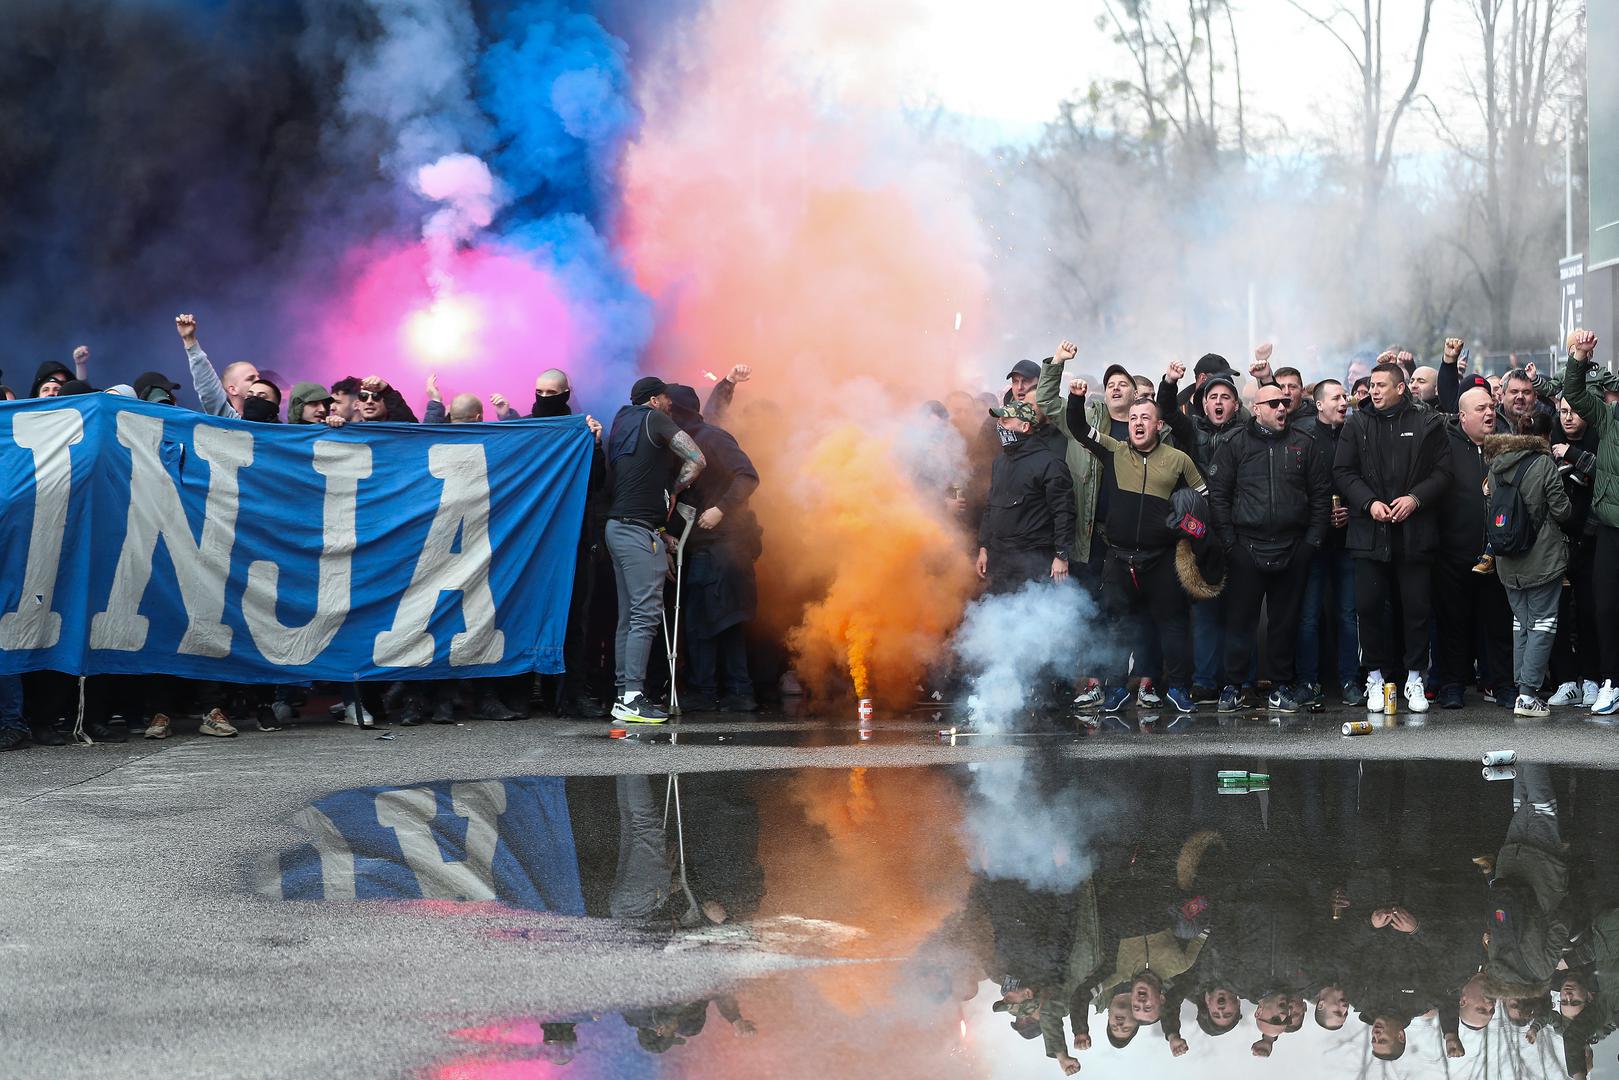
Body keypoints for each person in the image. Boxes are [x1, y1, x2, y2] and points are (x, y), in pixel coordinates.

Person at [1067, 379, 1206, 714]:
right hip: (1118, 558)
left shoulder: (1178, 460)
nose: (1138, 424)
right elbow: (1078, 428)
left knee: (1172, 626)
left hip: (1160, 560)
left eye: (1145, 418)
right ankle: (1115, 689)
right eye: (1133, 419)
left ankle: (1178, 689)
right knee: (1116, 625)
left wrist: (1187, 526)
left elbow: (1204, 504)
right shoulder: (1114, 451)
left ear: (1158, 425)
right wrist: (1076, 397)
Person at [1207, 379, 1331, 713]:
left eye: (1284, 402)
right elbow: (1218, 497)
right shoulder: (1234, 443)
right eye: (1272, 403)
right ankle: (1233, 687)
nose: (1281, 407)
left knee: (1285, 623)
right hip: (1246, 548)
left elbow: (1321, 497)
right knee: (1239, 622)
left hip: (1293, 548)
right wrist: (1231, 544)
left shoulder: (1305, 444)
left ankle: (1280, 686)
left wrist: (1310, 544)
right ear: (1257, 409)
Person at [1333, 362, 1451, 714]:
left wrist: (1416, 498)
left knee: (1416, 609)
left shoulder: (1427, 422)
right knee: (1368, 609)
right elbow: (1342, 471)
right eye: (1372, 385)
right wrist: (1368, 503)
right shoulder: (1357, 423)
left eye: (1382, 385)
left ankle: (1415, 679)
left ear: (1402, 388)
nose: (1375, 391)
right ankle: (1374, 678)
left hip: (1415, 534)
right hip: (1369, 533)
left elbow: (1444, 473)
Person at [604, 377, 706, 724]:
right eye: (667, 400)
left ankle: (623, 695)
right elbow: (697, 459)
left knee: (627, 616)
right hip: (637, 531)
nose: (670, 407)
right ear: (653, 400)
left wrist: (660, 527)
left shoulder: (620, 422)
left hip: (616, 527)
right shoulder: (655, 418)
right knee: (645, 614)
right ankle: (632, 698)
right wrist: (674, 490)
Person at [1037, 342, 1132, 710]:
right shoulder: (1085, 419)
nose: (1115, 388)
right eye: (1110, 383)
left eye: (1123, 383)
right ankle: (1092, 682)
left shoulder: (1146, 424)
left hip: (1128, 538)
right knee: (1090, 610)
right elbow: (1046, 403)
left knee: (1122, 612)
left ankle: (1119, 683)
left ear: (1135, 393)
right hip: (1090, 535)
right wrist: (1057, 363)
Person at [667, 384, 763, 713]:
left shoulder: (712, 438)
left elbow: (747, 475)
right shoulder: (687, 437)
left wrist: (720, 508)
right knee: (725, 620)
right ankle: (739, 691)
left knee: (703, 620)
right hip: (714, 544)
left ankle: (707, 691)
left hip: (721, 544)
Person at [1481, 415, 1571, 718]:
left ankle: (1522, 689)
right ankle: (1528, 694)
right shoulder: (1544, 464)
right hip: (1542, 558)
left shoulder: (1496, 466)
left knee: (1521, 624)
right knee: (1543, 625)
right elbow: (1562, 510)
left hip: (1508, 561)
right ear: (1543, 436)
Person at [1431, 385, 1513, 709]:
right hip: (1453, 552)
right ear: (1463, 417)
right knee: (1453, 622)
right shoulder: (1444, 446)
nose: (1490, 413)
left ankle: (1502, 684)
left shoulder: (1505, 445)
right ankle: (1453, 684)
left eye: (1491, 407)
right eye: (1480, 409)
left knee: (1497, 624)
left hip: (1498, 554)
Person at [1560, 331, 1619, 715]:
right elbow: (1576, 394)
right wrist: (1580, 356)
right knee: (1606, 607)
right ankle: (1612, 681)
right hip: (1611, 528)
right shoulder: (1609, 416)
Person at [1294, 380, 1360, 705]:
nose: (1343, 402)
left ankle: (1350, 682)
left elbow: (1364, 480)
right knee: (1308, 615)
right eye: (1336, 397)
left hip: (1348, 541)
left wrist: (1353, 511)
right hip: (1314, 540)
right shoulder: (1304, 437)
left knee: (1348, 615)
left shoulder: (1355, 433)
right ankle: (1309, 683)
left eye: (1345, 396)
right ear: (1319, 404)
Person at [976, 400, 1075, 594]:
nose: (999, 426)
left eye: (1005, 420)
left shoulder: (1049, 464)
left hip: (1033, 560)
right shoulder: (999, 462)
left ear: (1025, 426)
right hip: (999, 558)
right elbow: (991, 507)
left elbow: (1064, 512)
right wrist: (983, 547)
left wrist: (1061, 555)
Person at [1547, 393, 1602, 707]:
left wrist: (1575, 456)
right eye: (1563, 411)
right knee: (1555, 614)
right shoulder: (1550, 437)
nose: (1568, 417)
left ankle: (1592, 679)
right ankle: (1566, 680)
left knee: (1590, 612)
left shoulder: (1598, 439)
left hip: (1591, 540)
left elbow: (1604, 476)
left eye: (1574, 412)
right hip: (1556, 542)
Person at [174, 313, 258, 418]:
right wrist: (189, 340)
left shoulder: (275, 425)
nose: (258, 380)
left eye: (258, 377)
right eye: (250, 378)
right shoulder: (230, 421)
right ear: (232, 389)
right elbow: (209, 389)